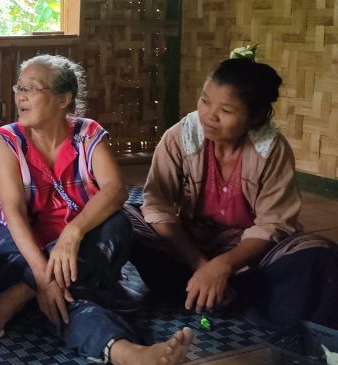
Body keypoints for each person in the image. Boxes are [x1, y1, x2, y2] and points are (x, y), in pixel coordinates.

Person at [0, 55, 194, 365]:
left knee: (118, 225)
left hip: (77, 250)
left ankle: (22, 296)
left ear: (63, 99)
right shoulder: (6, 140)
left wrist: (72, 234)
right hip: (23, 248)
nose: (20, 96)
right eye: (19, 87)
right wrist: (42, 275)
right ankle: (132, 355)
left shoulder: (86, 134)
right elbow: (13, 212)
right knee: (69, 294)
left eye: (31, 88)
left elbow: (115, 189)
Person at [126, 46, 338, 328]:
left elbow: (272, 224)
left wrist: (224, 265)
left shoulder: (270, 149)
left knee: (318, 256)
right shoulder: (180, 137)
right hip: (189, 248)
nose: (209, 115)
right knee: (124, 219)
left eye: (225, 110)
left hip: (248, 254)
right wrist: (204, 267)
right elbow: (158, 205)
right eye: (204, 101)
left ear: (255, 117)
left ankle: (218, 292)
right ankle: (220, 290)